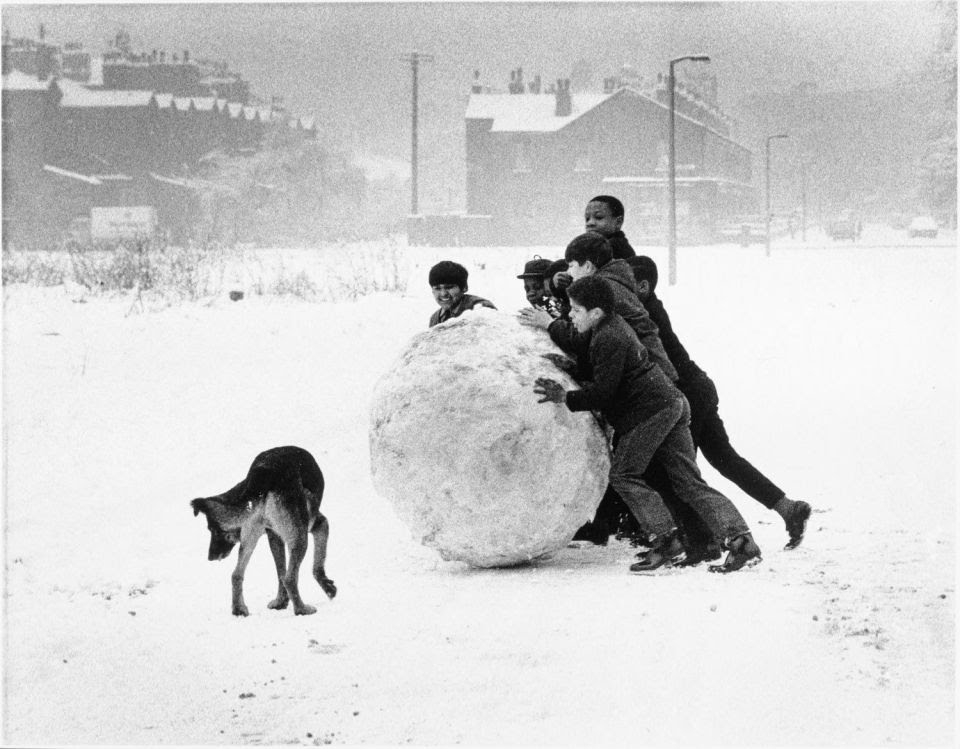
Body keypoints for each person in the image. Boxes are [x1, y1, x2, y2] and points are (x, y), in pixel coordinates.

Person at [526, 275, 762, 573]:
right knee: (688, 481)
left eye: (575, 310)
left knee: (624, 474)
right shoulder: (607, 326)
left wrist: (565, 396)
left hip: (651, 412)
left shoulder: (608, 336)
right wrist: (569, 363)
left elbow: (603, 392)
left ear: (595, 313)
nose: (570, 315)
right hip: (670, 403)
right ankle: (742, 541)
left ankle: (666, 540)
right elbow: (604, 368)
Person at [626, 255, 812, 550]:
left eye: (625, 283)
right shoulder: (647, 306)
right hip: (698, 387)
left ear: (642, 287)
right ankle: (787, 508)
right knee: (725, 459)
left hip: (686, 393)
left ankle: (705, 540)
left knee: (677, 472)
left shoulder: (642, 313)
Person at [427, 260, 496, 328]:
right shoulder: (435, 319)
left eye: (449, 287)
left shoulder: (480, 308)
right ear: (432, 290)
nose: (443, 294)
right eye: (437, 288)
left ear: (464, 288)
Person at [584, 195, 637, 259]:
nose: (590, 223)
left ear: (618, 222)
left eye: (599, 217)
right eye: (587, 219)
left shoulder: (614, 248)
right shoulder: (595, 246)